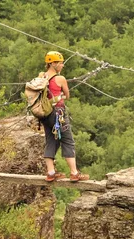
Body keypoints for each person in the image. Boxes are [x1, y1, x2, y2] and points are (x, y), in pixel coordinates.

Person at [39, 51, 89, 182]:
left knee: (51, 141)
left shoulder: (41, 77)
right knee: (67, 140)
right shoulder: (60, 79)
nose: (62, 65)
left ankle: (50, 172)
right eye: (60, 63)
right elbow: (67, 95)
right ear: (53, 64)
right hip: (58, 113)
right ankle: (74, 173)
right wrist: (59, 95)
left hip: (45, 114)